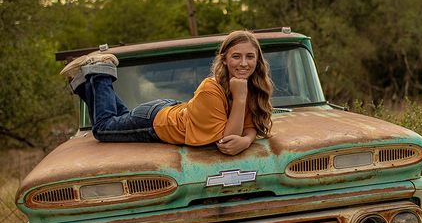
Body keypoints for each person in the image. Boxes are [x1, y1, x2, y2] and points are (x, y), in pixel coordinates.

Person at [60, 30, 273, 156]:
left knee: (118, 120)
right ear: (224, 59)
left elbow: (248, 126)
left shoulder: (249, 85)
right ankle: (100, 72)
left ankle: (81, 82)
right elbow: (229, 140)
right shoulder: (212, 89)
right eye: (236, 56)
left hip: (170, 111)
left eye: (250, 57)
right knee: (103, 129)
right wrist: (241, 98)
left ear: (258, 60)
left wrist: (246, 141)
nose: (244, 63)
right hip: (156, 123)